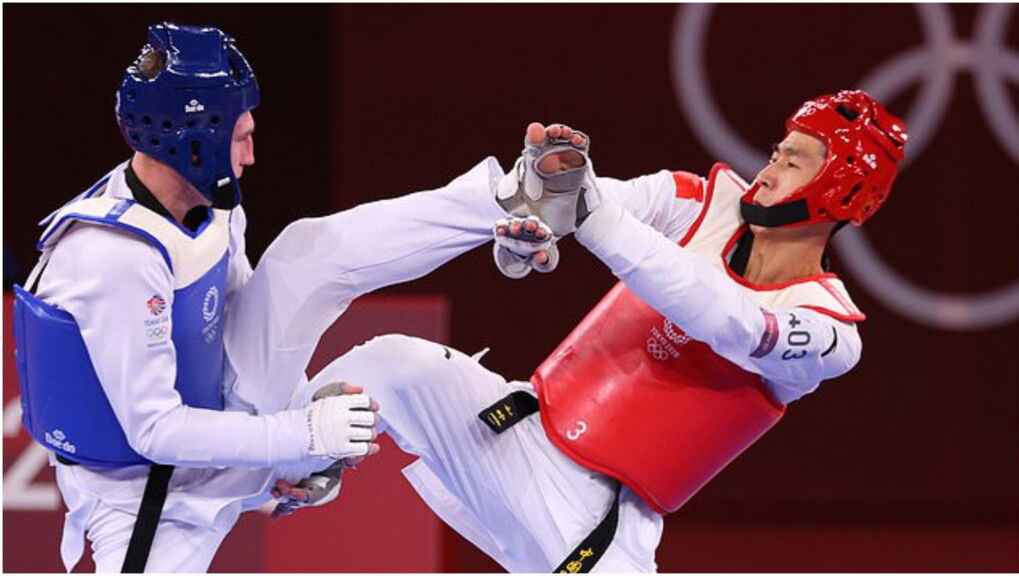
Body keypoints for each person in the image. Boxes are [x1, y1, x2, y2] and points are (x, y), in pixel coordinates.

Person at [292, 90, 908, 572]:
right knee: (391, 364)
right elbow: (595, 203)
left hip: (599, 525)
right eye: (777, 150)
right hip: (513, 431)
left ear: (841, 190)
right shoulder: (698, 200)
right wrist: (541, 208)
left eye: (795, 159)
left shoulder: (830, 329)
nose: (770, 166)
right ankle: (280, 467)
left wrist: (589, 215)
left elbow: (730, 323)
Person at [11, 22, 530, 572]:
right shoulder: (113, 258)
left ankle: (505, 202)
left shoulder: (213, 203)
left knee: (307, 253)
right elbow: (155, 431)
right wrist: (299, 433)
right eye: (240, 135)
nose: (252, 154)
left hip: (214, 423)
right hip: (145, 500)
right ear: (195, 140)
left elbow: (243, 323)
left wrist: (291, 448)